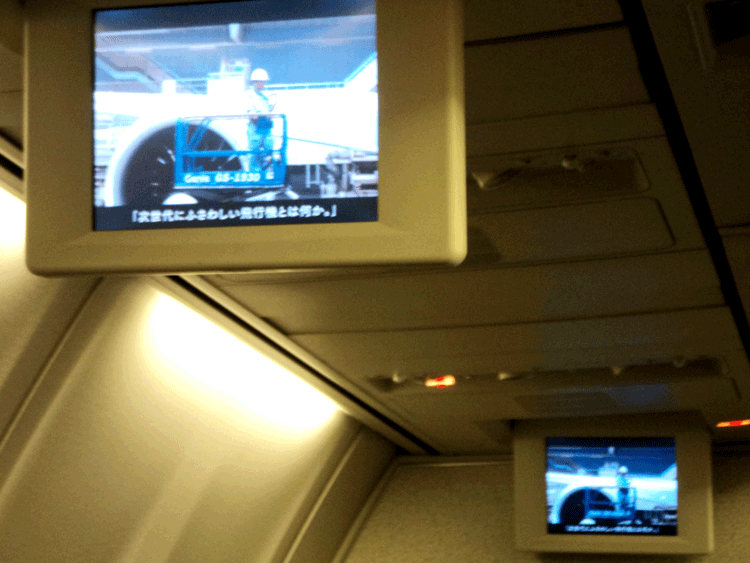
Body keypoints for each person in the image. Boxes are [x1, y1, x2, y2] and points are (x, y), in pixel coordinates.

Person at [246, 68, 275, 171]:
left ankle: (268, 171)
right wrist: (253, 114)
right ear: (255, 82)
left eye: (264, 82)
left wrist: (272, 110)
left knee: (269, 148)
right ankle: (255, 174)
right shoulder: (249, 94)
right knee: (254, 152)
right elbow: (250, 110)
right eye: (261, 82)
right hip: (255, 128)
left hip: (266, 127)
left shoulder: (266, 95)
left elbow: (270, 109)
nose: (263, 84)